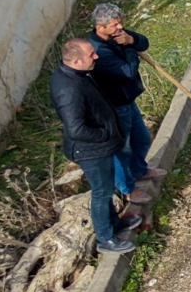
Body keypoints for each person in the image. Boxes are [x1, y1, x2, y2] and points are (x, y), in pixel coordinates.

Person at [50, 39, 135, 254]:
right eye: (91, 55)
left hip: (98, 148)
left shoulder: (76, 74)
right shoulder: (68, 90)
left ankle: (115, 224)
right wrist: (105, 134)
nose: (96, 56)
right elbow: (76, 129)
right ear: (77, 61)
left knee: (106, 189)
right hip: (91, 151)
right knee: (101, 192)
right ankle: (105, 238)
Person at [88, 2, 153, 200]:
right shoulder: (99, 51)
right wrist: (129, 48)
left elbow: (144, 43)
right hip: (115, 107)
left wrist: (132, 40)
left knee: (141, 139)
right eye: (114, 25)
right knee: (122, 149)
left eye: (120, 23)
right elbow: (127, 72)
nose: (119, 27)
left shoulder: (118, 34)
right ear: (100, 27)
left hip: (128, 101)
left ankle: (139, 170)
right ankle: (127, 189)